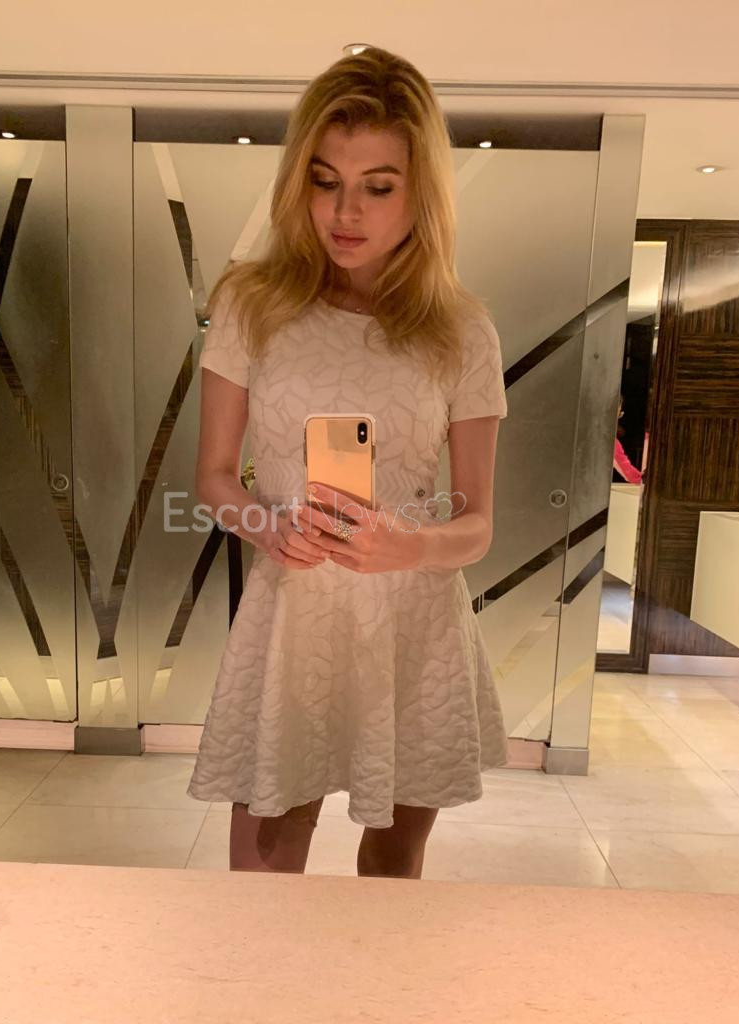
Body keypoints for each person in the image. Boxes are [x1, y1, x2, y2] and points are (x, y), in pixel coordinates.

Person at [188, 46, 510, 880]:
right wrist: (267, 525)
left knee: (392, 871)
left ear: (420, 192)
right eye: (324, 179)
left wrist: (412, 545)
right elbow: (214, 477)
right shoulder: (251, 304)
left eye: (379, 186)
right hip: (291, 613)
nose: (345, 211)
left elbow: (477, 521)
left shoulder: (460, 330)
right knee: (262, 871)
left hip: (413, 623)